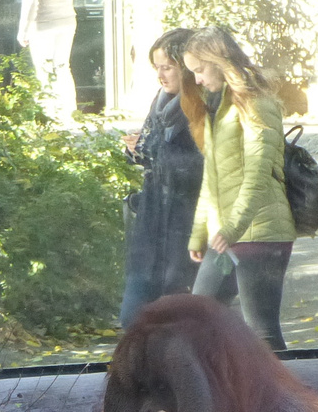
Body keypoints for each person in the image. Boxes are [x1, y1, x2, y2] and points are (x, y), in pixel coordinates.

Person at [183, 27, 296, 351]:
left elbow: (260, 175)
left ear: (219, 62)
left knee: (262, 333)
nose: (199, 80)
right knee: (196, 320)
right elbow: (212, 176)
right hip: (227, 236)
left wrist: (233, 227)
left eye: (200, 70)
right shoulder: (218, 107)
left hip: (260, 233)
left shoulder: (256, 104)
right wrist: (198, 233)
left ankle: (287, 402)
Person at [119, 29, 206, 328]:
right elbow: (150, 152)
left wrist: (157, 152)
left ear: (187, 67)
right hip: (153, 220)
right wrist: (136, 149)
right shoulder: (160, 101)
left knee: (177, 313)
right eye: (156, 67)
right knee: (133, 314)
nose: (160, 75)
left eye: (167, 67)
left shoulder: (201, 105)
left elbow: (203, 165)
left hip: (185, 221)